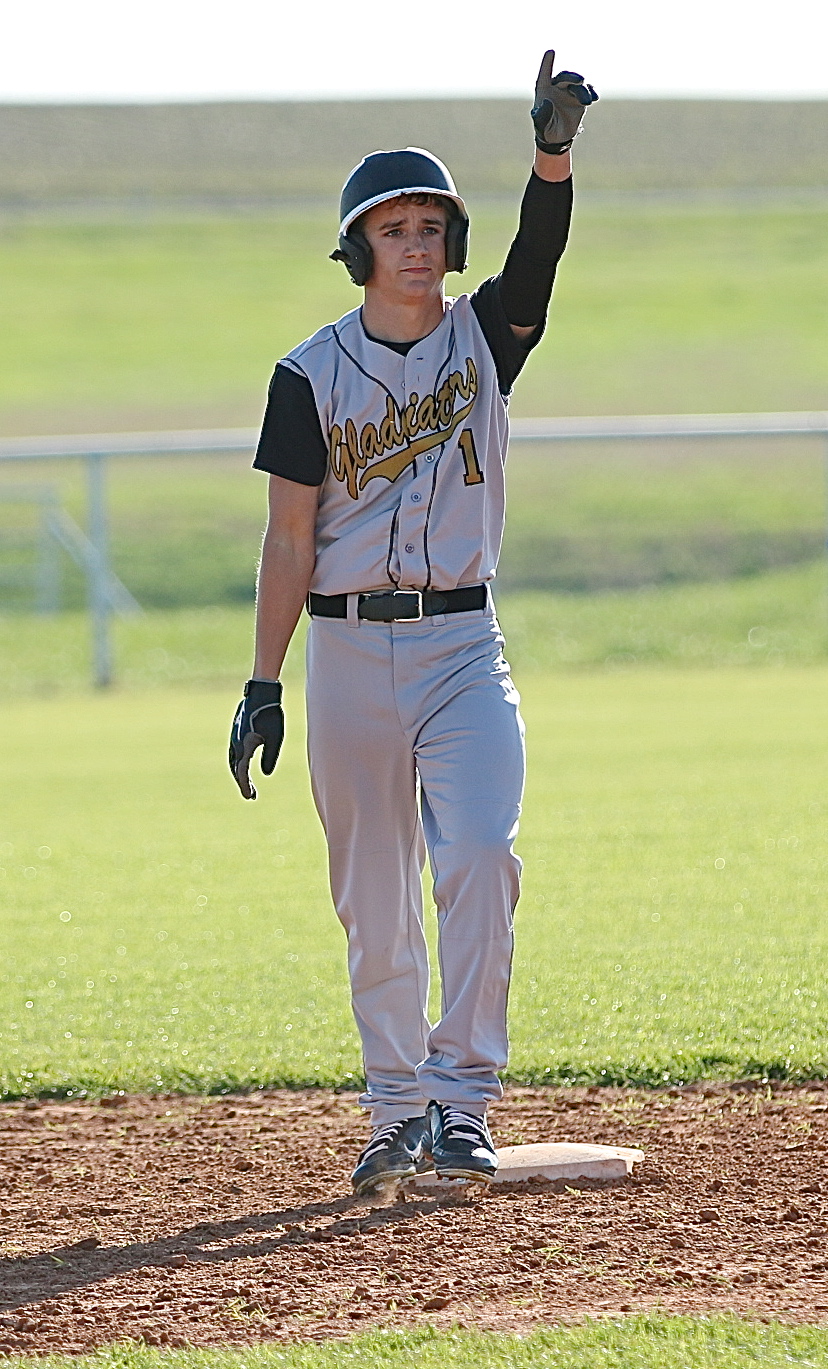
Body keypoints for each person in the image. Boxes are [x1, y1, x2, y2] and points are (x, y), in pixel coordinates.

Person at [229, 51, 598, 1195]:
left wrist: (550, 157)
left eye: (432, 225)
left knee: (481, 853)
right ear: (358, 249)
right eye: (394, 228)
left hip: (461, 647)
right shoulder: (308, 375)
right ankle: (394, 1109)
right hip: (346, 649)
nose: (417, 243)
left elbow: (538, 261)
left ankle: (461, 1102)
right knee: (374, 896)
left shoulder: (487, 338)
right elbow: (289, 539)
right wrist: (262, 682)